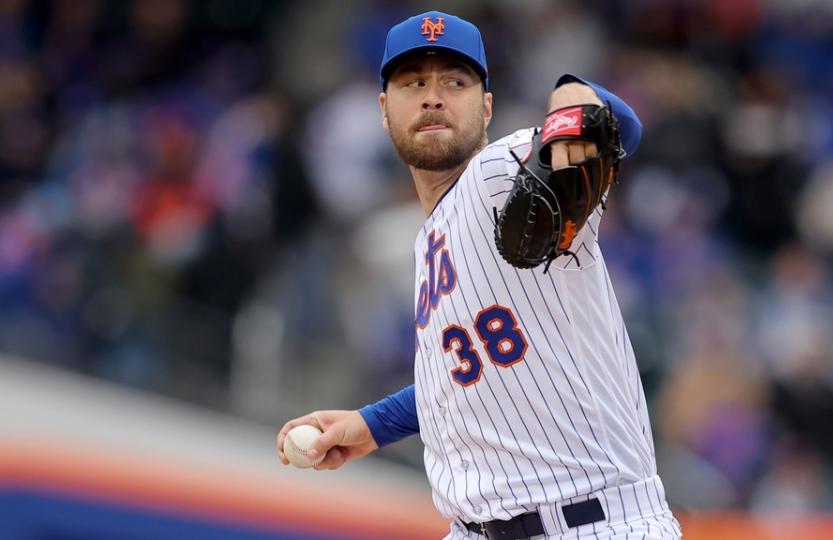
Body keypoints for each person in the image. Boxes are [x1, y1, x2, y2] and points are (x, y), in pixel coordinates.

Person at [277, 10, 682, 539]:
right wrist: (372, 424)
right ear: (384, 110)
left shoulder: (502, 174)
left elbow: (617, 125)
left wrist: (572, 94)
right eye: (412, 82)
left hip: (592, 523)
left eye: (455, 81)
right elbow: (464, 376)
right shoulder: (427, 242)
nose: (432, 96)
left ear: (486, 106)